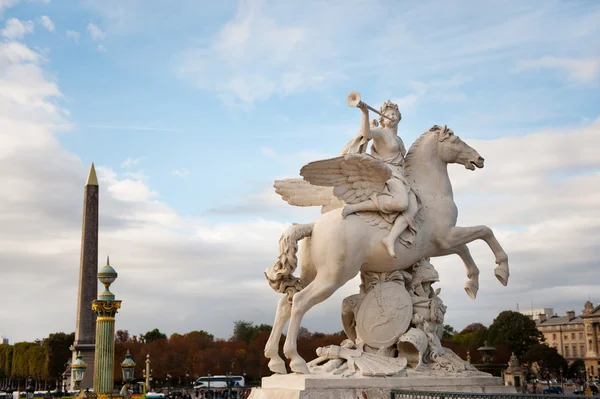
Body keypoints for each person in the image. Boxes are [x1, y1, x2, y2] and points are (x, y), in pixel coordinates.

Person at [340, 100, 418, 258]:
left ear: (399, 117)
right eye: (388, 114)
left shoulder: (399, 140)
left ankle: (390, 238)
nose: (392, 116)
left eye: (395, 113)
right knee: (402, 203)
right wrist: (365, 113)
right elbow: (366, 134)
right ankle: (355, 207)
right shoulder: (380, 133)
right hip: (389, 175)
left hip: (400, 176)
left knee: (413, 207)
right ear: (383, 118)